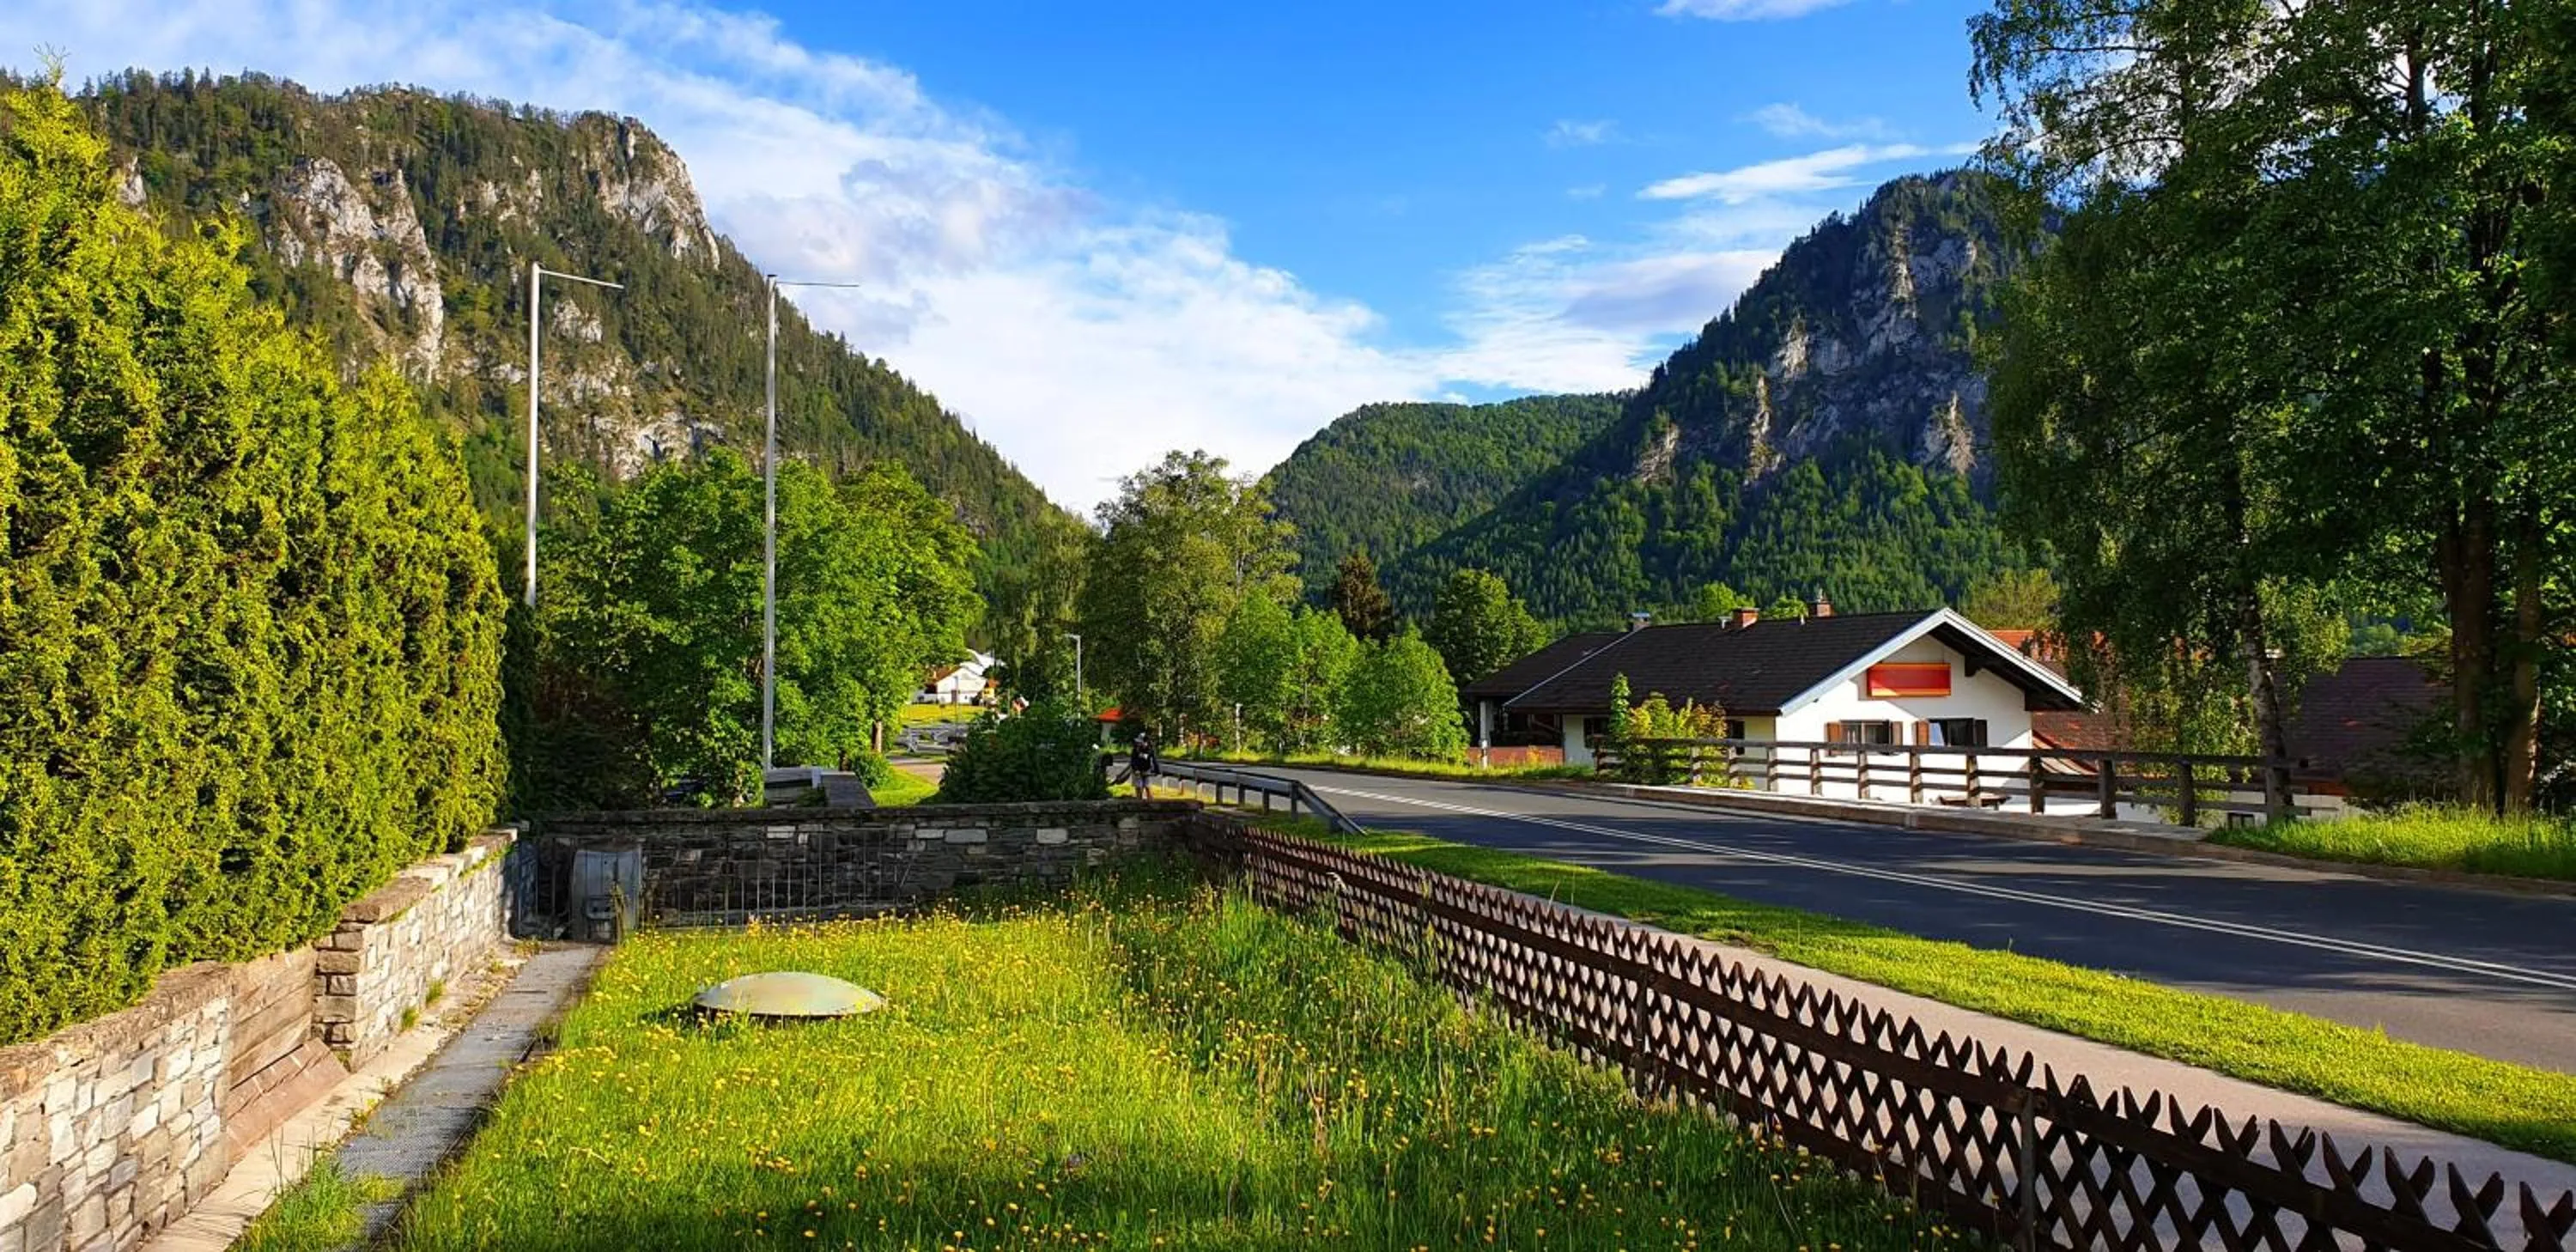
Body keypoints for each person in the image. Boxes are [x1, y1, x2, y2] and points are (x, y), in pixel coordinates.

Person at [1128, 730, 1157, 798]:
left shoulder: (1150, 749)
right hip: (1137, 770)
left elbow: (1154, 760)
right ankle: (1139, 802)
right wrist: (1136, 769)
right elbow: (1133, 761)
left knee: (1148, 786)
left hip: (1146, 770)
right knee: (1139, 787)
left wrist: (1157, 770)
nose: (1139, 743)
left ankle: (1150, 803)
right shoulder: (1136, 749)